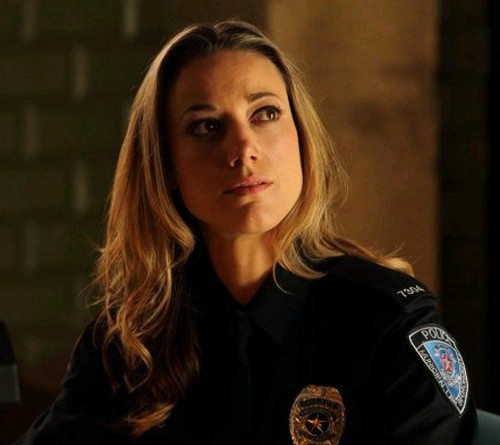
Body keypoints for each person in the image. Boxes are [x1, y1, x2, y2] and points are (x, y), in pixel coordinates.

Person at [12, 18, 478, 445]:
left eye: (266, 113)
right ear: (165, 164)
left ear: (301, 135)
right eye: (207, 126)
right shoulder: (130, 345)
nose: (243, 149)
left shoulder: (387, 323)